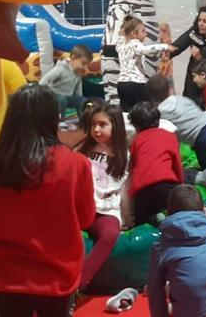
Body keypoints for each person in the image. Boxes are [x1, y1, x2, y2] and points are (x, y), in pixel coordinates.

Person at [0, 85, 95, 317]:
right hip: (58, 276)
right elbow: (85, 219)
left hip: (7, 278)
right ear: (54, 119)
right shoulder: (76, 164)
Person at [147, 184, 206, 317]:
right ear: (202, 210)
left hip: (195, 307)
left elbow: (154, 291)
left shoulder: (162, 246)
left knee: (174, 284)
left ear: (169, 213)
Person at [75, 101, 129, 294]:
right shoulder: (83, 150)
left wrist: (128, 218)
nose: (96, 130)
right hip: (82, 205)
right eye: (93, 125)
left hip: (105, 210)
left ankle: (79, 284)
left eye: (102, 124)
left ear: (115, 126)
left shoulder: (124, 154)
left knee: (109, 234)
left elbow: (125, 189)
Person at [127, 101, 185, 226]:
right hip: (166, 185)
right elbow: (177, 164)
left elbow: (133, 168)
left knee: (141, 220)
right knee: (178, 212)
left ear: (136, 126)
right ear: (158, 120)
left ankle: (155, 219)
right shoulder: (170, 136)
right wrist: (181, 185)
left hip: (142, 190)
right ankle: (164, 217)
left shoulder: (135, 141)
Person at [168, 6, 206, 107]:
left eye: (205, 21)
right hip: (191, 87)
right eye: (199, 20)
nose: (200, 24)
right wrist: (162, 52)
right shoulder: (195, 32)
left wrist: (200, 59)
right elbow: (175, 48)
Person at [117, 15, 162, 112]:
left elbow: (120, 36)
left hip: (121, 84)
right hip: (136, 83)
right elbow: (144, 50)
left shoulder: (121, 44)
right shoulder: (134, 43)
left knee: (126, 112)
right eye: (143, 31)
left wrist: (122, 33)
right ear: (134, 33)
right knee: (146, 111)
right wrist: (164, 46)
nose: (146, 34)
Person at [39, 44, 93, 118]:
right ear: (73, 58)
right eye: (83, 64)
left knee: (82, 100)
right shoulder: (61, 69)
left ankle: (83, 119)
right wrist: (44, 95)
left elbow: (78, 90)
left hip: (68, 98)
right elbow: (44, 80)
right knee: (62, 99)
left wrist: (79, 99)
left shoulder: (78, 73)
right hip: (54, 98)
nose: (85, 67)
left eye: (87, 65)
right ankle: (60, 119)